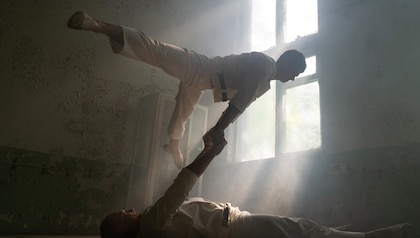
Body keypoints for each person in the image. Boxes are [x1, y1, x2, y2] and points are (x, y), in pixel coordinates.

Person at [67, 11, 307, 168]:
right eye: (296, 72)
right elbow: (240, 102)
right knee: (157, 50)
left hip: (203, 82)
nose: (294, 78)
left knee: (183, 112)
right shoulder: (266, 65)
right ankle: (97, 25)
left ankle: (173, 144)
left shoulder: (266, 84)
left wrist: (219, 128)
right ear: (288, 62)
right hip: (200, 67)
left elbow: (238, 105)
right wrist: (217, 129)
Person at [100, 131, 413, 238]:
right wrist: (210, 151)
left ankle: (334, 234)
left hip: (233, 221)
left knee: (297, 229)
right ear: (123, 229)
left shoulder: (150, 230)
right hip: (234, 229)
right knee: (297, 229)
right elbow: (182, 184)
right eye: (122, 214)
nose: (128, 208)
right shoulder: (152, 223)